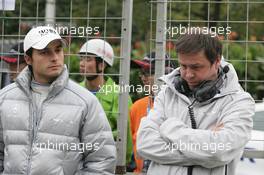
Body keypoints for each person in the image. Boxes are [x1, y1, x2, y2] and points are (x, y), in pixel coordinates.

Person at [0, 26, 116, 174]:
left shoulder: (85, 102)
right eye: (45, 52)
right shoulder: (4, 98)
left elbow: (102, 161)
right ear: (28, 59)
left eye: (58, 50)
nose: (54, 57)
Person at [136, 29, 255, 175]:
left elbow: (219, 151)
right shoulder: (167, 93)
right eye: (183, 66)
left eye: (196, 67)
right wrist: (204, 153)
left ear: (217, 61)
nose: (188, 74)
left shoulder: (239, 101)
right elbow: (145, 144)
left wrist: (170, 128)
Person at [78, 39, 133, 164]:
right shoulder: (74, 91)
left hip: (107, 163)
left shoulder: (119, 95)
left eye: (88, 59)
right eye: (81, 58)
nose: (81, 63)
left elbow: (126, 135)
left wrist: (122, 164)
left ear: (101, 65)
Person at [129, 52, 175, 173]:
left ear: (166, 74)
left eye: (148, 73)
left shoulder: (178, 106)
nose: (143, 78)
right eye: (142, 73)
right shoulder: (136, 107)